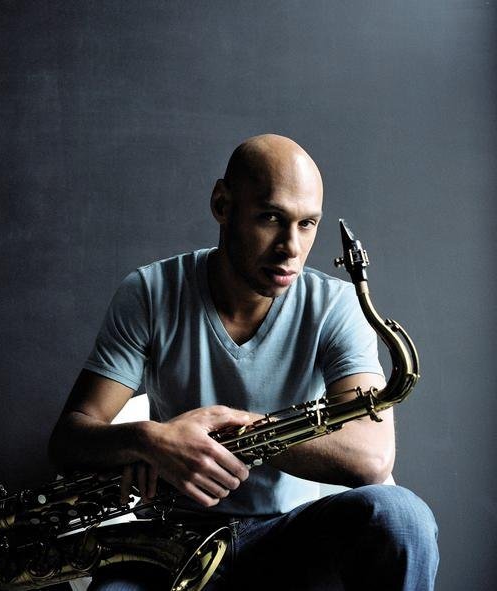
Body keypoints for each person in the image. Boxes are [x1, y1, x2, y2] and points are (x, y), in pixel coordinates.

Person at [49, 134, 439, 590]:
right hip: (172, 541)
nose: (291, 247)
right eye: (271, 218)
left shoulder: (337, 305)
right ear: (222, 204)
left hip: (292, 538)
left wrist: (241, 428)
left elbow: (371, 459)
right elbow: (70, 438)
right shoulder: (150, 292)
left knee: (403, 515)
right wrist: (149, 440)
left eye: (307, 224)